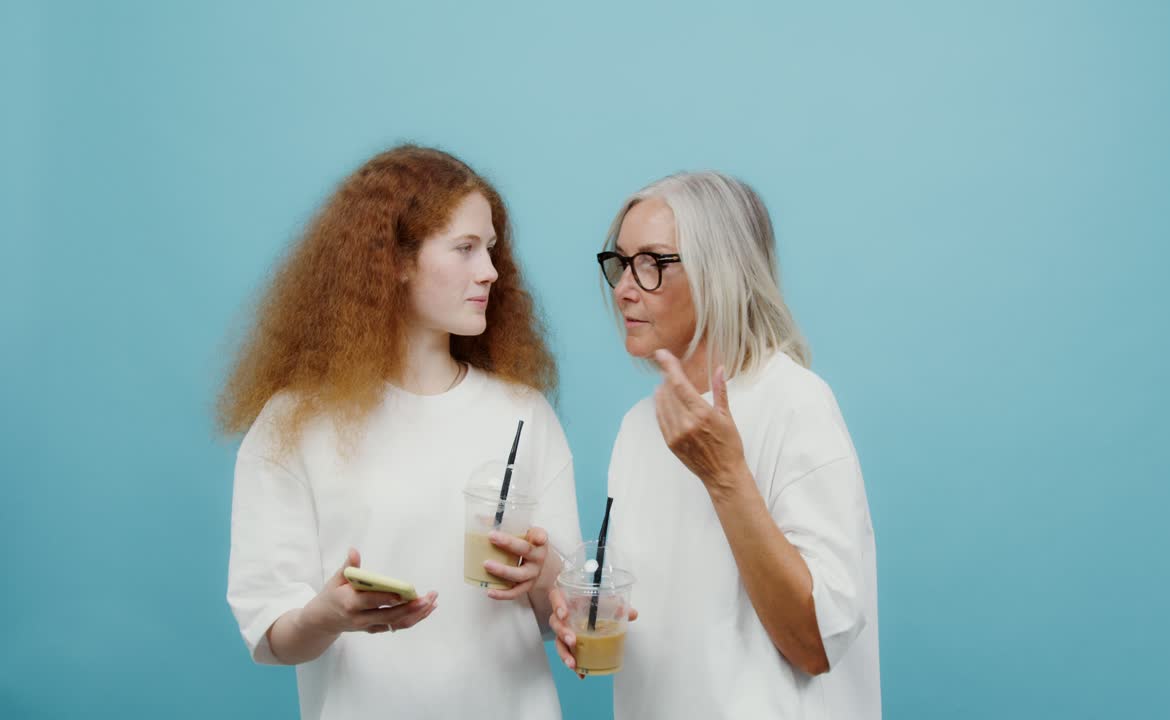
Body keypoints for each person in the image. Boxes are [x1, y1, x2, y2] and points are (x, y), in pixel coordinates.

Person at [219, 145, 578, 719]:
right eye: (464, 249)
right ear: (393, 260)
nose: (490, 270)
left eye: (490, 249)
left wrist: (546, 575)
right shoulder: (294, 423)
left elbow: (563, 613)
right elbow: (273, 634)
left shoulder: (523, 413)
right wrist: (329, 614)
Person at [550, 171, 881, 718]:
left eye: (653, 263)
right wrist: (586, 617)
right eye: (620, 262)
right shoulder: (639, 426)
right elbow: (678, 620)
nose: (624, 288)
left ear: (721, 272)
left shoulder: (794, 402)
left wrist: (726, 476)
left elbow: (815, 644)